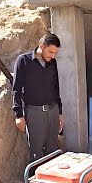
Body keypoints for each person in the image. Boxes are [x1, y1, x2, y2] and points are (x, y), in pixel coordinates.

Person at [12, 33, 64, 164]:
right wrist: (19, 115)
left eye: (55, 53)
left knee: (52, 148)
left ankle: (51, 182)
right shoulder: (23, 61)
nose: (52, 56)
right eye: (51, 52)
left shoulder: (52, 63)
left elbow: (56, 87)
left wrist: (60, 112)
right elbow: (17, 89)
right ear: (41, 46)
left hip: (53, 110)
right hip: (34, 112)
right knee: (36, 151)